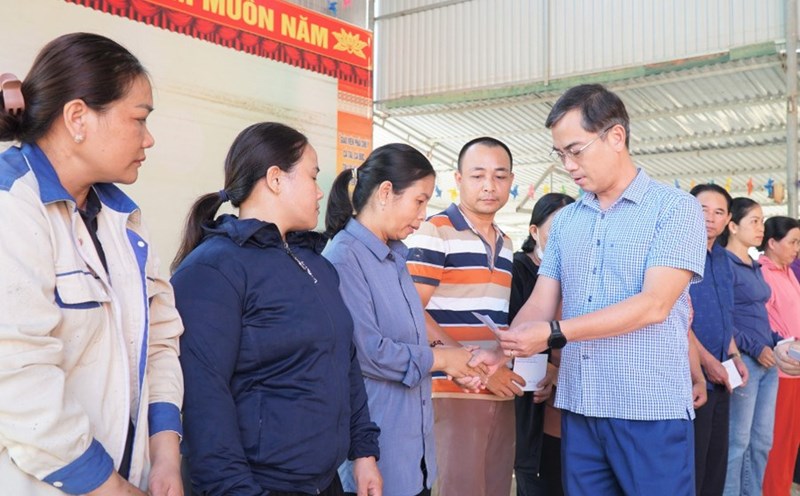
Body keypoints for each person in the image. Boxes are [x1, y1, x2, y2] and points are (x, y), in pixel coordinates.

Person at [494, 84, 706, 495]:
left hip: (648, 410)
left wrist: (555, 333)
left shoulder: (674, 209)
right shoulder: (569, 220)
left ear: (616, 137)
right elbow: (541, 300)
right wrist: (500, 348)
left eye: (576, 150)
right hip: (581, 405)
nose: (568, 165)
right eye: (560, 155)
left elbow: (654, 306)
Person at [0, 33, 183, 496]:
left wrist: (165, 457)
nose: (150, 138)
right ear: (78, 118)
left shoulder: (125, 223)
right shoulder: (13, 209)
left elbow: (160, 343)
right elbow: (17, 378)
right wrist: (110, 488)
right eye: (139, 119)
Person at [171, 122, 382, 496]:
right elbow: (204, 399)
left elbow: (345, 361)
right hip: (258, 486)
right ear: (275, 179)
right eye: (313, 177)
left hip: (323, 483)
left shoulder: (316, 264)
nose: (321, 192)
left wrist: (363, 453)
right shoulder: (214, 269)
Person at [323, 143, 486, 496]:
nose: (423, 214)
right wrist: (443, 359)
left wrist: (457, 364)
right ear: (385, 192)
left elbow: (411, 337)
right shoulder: (344, 258)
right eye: (419, 201)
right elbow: (368, 352)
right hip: (375, 459)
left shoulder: (395, 258)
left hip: (413, 454)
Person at [405, 137, 533, 496]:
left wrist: (496, 369)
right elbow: (412, 309)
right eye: (478, 175)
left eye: (499, 175)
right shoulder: (435, 229)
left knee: (494, 489)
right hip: (450, 389)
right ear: (458, 179)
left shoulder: (506, 242)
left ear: (511, 181)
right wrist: (472, 368)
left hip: (498, 386)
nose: (489, 185)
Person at [509, 193, 573, 496]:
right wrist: (544, 370)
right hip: (532, 401)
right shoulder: (518, 271)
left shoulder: (575, 276)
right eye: (557, 227)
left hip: (568, 401)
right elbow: (518, 333)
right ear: (534, 231)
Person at [687, 184, 749, 496]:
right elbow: (676, 317)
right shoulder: (678, 255)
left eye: (719, 212)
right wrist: (705, 362)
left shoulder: (724, 260)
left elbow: (727, 315)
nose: (710, 218)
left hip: (722, 374)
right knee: (693, 465)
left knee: (716, 463)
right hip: (691, 377)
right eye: (702, 209)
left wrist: (734, 355)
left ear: (727, 220)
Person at [718, 197, 780, 496]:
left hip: (767, 361)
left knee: (762, 441)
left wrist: (776, 340)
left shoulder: (753, 265)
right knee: (738, 442)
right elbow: (723, 319)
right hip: (743, 361)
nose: (761, 227)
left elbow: (756, 316)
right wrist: (756, 347)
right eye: (754, 221)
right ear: (732, 226)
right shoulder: (723, 264)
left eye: (762, 220)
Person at [758, 217, 800, 496]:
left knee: (790, 442)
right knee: (775, 441)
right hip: (780, 369)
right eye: (793, 242)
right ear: (772, 243)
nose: (797, 248)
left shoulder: (788, 272)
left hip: (795, 369)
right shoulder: (763, 273)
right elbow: (765, 323)